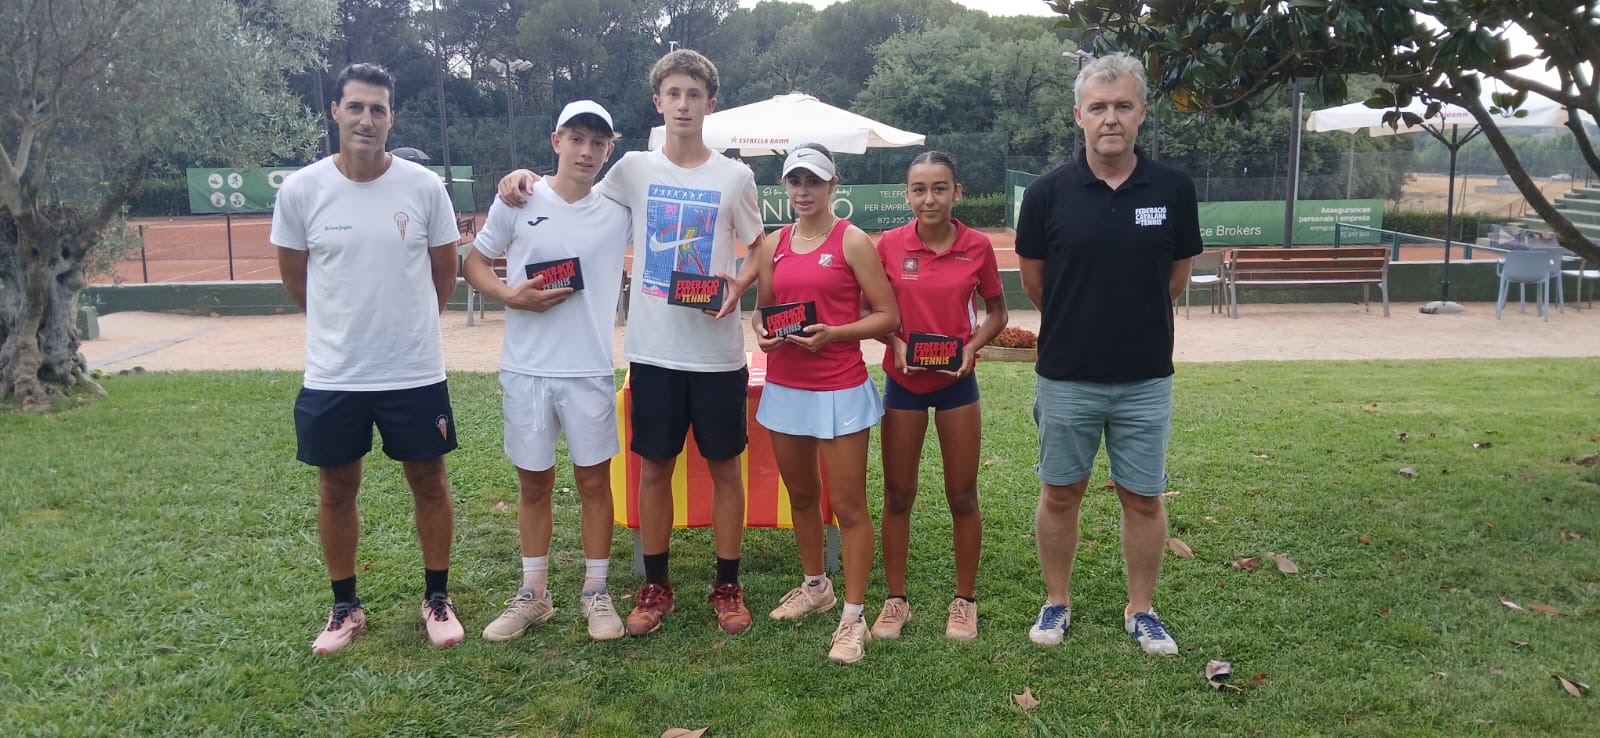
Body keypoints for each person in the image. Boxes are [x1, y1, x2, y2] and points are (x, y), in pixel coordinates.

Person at [497, 49, 765, 637]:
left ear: (710, 104)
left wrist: (739, 284)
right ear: (658, 102)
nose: (684, 105)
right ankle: (655, 585)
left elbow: (760, 244)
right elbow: (571, 190)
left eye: (694, 95)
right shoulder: (632, 169)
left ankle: (727, 585)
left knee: (725, 469)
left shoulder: (735, 177)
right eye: (674, 94)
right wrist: (522, 177)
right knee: (654, 470)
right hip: (652, 352)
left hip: (717, 353)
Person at [271, 63, 465, 653]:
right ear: (335, 111)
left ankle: (437, 598)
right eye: (355, 106)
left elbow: (445, 276)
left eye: (378, 109)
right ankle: (345, 607)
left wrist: (405, 329)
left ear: (390, 118)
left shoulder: (424, 188)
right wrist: (342, 328)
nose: (366, 119)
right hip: (335, 373)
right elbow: (297, 281)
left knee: (429, 481)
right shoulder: (301, 190)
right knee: (336, 488)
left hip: (413, 370)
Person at [1014, 52, 1201, 656]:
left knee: (1143, 498)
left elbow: (1175, 279)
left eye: (1123, 105)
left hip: (1145, 377)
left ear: (1142, 113)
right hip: (1067, 375)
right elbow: (1038, 284)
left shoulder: (1173, 189)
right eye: (1098, 107)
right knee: (1060, 493)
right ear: (1079, 116)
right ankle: (1056, 602)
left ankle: (1141, 610)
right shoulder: (1046, 194)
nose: (1111, 118)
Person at [467, 101, 632, 643]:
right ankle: (534, 593)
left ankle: (595, 591)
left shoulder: (618, 208)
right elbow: (474, 262)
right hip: (527, 369)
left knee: (594, 483)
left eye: (598, 143)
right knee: (533, 482)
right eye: (577, 139)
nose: (587, 151)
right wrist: (509, 295)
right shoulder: (519, 198)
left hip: (588, 370)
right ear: (556, 140)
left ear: (609, 150)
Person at [754, 144, 899, 664]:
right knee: (801, 496)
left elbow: (887, 316)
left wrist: (834, 333)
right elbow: (764, 311)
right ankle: (816, 586)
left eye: (813, 181)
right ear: (784, 186)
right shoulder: (774, 243)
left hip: (840, 388)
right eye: (795, 181)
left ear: (833, 184)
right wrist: (765, 334)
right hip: (785, 387)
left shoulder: (853, 240)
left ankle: (853, 617)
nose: (803, 191)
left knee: (848, 506)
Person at [870, 151, 1007, 642]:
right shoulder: (889, 245)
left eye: (940, 188)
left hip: (957, 386)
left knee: (962, 495)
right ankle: (895, 600)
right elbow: (869, 310)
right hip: (903, 384)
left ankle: (964, 601)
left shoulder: (977, 246)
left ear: (957, 192)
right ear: (907, 195)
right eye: (920, 189)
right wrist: (895, 342)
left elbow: (997, 313)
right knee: (898, 494)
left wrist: (971, 347)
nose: (930, 199)